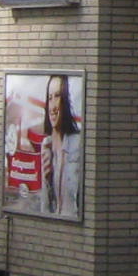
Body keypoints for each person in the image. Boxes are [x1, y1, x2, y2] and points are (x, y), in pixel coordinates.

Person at [38, 74, 83, 217]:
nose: (53, 106)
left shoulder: (77, 143)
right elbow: (44, 207)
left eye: (57, 96)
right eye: (49, 98)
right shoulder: (46, 147)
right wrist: (46, 180)